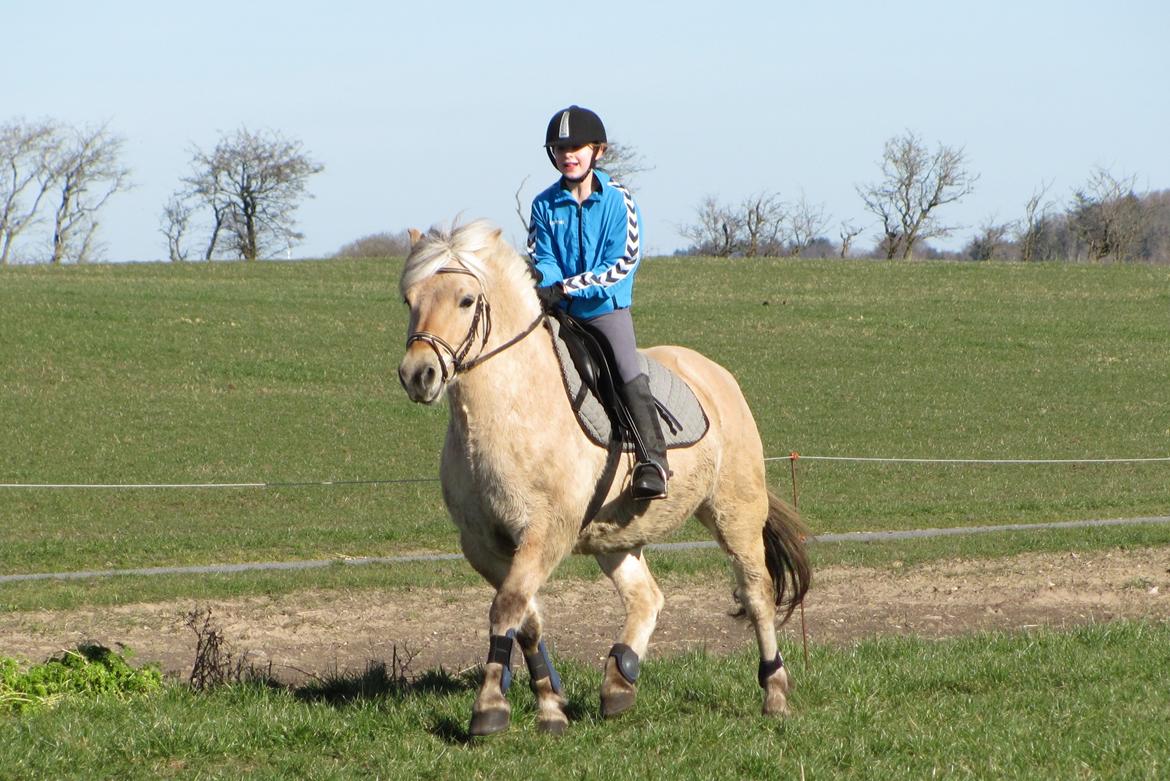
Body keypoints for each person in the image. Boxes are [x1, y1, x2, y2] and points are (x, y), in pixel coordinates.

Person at [527, 105, 668, 501]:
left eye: (576, 147)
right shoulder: (543, 204)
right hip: (559, 311)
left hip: (605, 311)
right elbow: (542, 256)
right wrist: (550, 286)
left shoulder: (620, 202)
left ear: (598, 151)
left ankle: (652, 462)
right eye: (559, 148)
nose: (567, 154)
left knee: (625, 369)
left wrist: (568, 288)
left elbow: (620, 264)